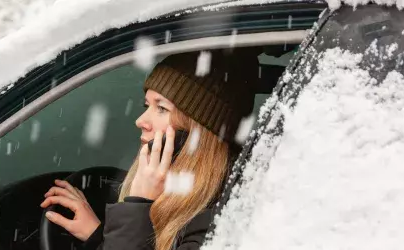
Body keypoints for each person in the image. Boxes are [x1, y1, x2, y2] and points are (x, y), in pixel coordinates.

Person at [40, 49, 258, 250]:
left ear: (196, 133)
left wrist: (139, 203)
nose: (140, 121)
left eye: (162, 108)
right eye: (147, 106)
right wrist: (98, 236)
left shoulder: (217, 226)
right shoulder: (194, 204)